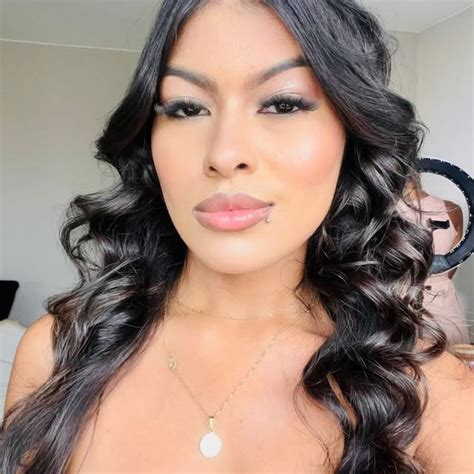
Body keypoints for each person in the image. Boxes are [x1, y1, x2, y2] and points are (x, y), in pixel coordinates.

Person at [1, 1, 473, 473]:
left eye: (283, 104)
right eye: (187, 108)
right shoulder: (55, 356)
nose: (224, 154)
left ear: (351, 133)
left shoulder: (435, 400)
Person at [397, 177, 471, 347]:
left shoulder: (379, 211)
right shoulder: (451, 209)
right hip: (441, 305)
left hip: (398, 304)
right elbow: (451, 265)